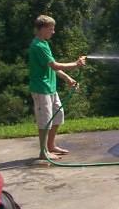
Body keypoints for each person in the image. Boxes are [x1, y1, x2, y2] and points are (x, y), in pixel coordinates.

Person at [28, 15, 86, 160]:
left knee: (58, 116)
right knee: (45, 121)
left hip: (50, 88)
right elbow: (55, 65)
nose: (53, 32)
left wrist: (67, 78)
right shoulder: (38, 46)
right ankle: (43, 153)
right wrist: (76, 64)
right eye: (51, 29)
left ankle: (51, 146)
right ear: (42, 29)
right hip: (41, 89)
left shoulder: (44, 43)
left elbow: (51, 67)